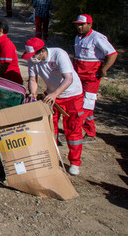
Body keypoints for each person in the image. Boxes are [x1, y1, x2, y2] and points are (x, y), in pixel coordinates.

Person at [23, 37, 84, 176]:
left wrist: (56, 93)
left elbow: (68, 78)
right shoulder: (33, 60)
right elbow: (33, 79)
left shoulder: (59, 55)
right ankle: (52, 157)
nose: (32, 59)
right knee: (50, 128)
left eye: (34, 56)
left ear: (43, 51)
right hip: (52, 95)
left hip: (72, 95)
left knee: (73, 129)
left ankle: (75, 162)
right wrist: (32, 93)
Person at [72, 14, 118, 143]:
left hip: (92, 78)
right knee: (86, 105)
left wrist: (104, 69)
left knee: (86, 104)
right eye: (78, 25)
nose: (79, 27)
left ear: (90, 25)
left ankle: (75, 132)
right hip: (79, 77)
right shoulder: (78, 37)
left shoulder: (97, 38)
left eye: (82, 24)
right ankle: (91, 133)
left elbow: (112, 54)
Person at [0, 18, 24, 85]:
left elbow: (3, 68)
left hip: (11, 82)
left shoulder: (6, 44)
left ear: (0, 30)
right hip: (1, 80)